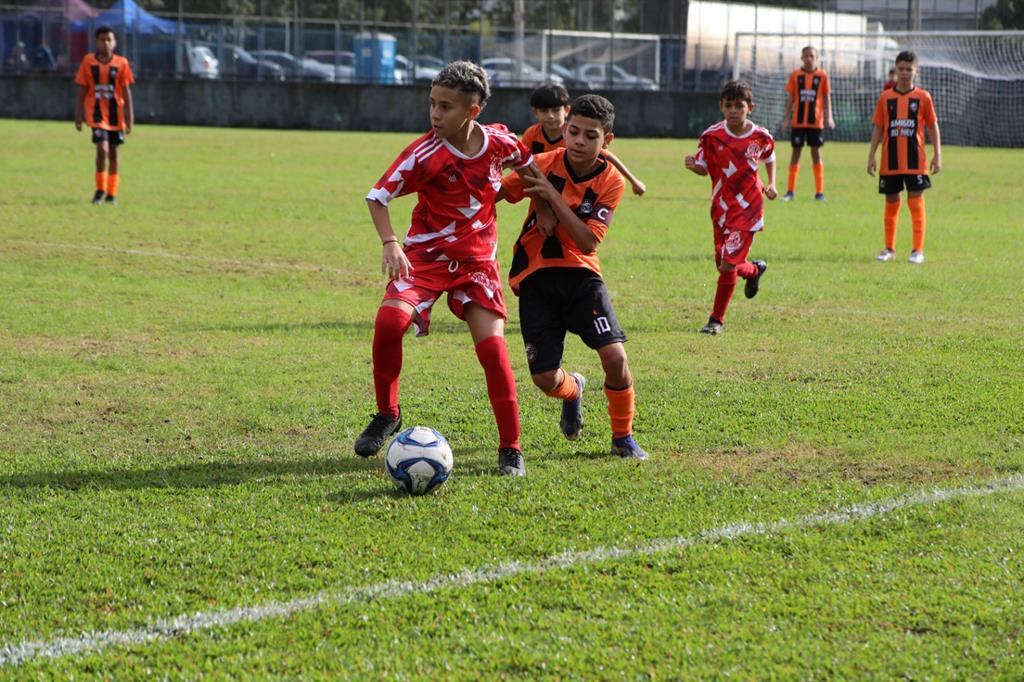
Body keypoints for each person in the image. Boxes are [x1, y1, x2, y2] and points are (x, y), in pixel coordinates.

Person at [357, 61, 538, 476]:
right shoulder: (425, 154)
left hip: (476, 263)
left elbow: (531, 169)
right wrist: (391, 243)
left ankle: (511, 447)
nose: (435, 114)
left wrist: (542, 206)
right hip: (423, 260)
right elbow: (377, 196)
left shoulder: (499, 144)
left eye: (446, 107)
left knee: (492, 349)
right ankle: (388, 413)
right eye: (432, 104)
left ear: (473, 111)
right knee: (388, 323)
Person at [500, 94, 648, 460]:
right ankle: (574, 389)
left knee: (615, 357)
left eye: (590, 135)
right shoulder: (543, 162)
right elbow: (499, 189)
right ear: (566, 129)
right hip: (536, 277)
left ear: (606, 141)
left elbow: (587, 240)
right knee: (545, 379)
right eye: (574, 131)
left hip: (582, 277)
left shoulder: (610, 180)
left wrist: (550, 197)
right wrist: (538, 202)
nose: (579, 141)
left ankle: (623, 438)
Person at [684, 80, 777, 335]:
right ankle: (755, 269)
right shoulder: (712, 136)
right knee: (726, 263)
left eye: (739, 105)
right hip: (721, 208)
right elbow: (704, 167)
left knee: (727, 264)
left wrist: (772, 183)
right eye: (729, 106)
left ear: (751, 108)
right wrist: (695, 167)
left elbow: (769, 156)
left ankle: (716, 320)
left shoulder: (760, 136)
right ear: (721, 107)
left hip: (749, 209)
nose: (733, 110)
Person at [867, 51, 941, 265]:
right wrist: (871, 155)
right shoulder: (885, 97)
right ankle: (889, 248)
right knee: (891, 202)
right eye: (901, 69)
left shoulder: (923, 97)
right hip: (890, 161)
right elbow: (879, 128)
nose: (905, 73)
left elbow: (932, 126)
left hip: (916, 161)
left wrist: (938, 154)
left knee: (916, 202)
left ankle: (917, 251)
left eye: (909, 69)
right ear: (895, 70)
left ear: (916, 71)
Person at [520, 82, 647, 197]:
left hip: (574, 188)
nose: (550, 115)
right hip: (545, 188)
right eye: (544, 111)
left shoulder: (576, 137)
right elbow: (519, 162)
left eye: (555, 110)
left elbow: (607, 156)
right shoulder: (531, 134)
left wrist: (634, 181)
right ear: (535, 112)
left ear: (566, 110)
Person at [75, 26, 134, 205]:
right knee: (102, 149)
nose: (106, 43)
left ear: (114, 42)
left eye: (109, 40)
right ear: (96, 42)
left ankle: (112, 193)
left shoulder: (122, 63)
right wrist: (78, 115)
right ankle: (99, 190)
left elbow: (125, 92)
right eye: (102, 40)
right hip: (96, 115)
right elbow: (82, 89)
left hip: (116, 116)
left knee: (114, 154)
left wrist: (130, 117)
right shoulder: (88, 62)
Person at [779, 46, 833, 201]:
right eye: (806, 56)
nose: (809, 58)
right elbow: (790, 99)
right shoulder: (795, 75)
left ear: (817, 58)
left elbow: (827, 97)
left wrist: (829, 117)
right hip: (798, 122)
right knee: (796, 153)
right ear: (801, 58)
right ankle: (790, 192)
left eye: (812, 56)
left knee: (816, 153)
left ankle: (820, 193)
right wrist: (786, 119)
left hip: (816, 122)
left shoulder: (822, 75)